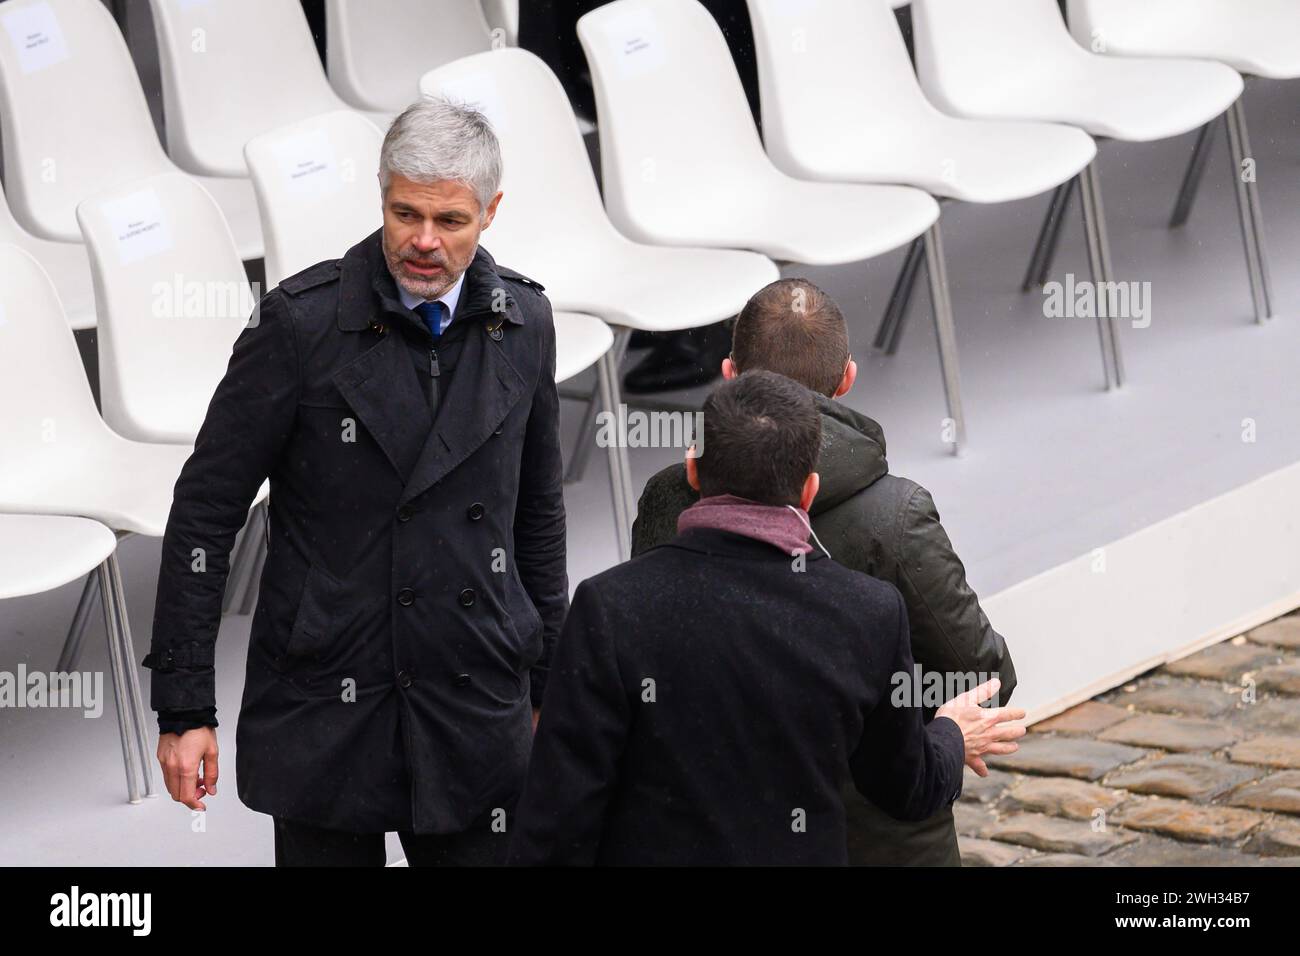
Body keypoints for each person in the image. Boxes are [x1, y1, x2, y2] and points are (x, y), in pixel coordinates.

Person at [143, 98, 568, 866]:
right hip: (326, 693)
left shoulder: (526, 324)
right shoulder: (300, 326)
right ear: (381, 196)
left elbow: (536, 515)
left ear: (492, 212)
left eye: (451, 221)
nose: (425, 242)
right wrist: (184, 705)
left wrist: (550, 684)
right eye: (406, 214)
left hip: (472, 691)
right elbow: (206, 512)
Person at [508, 371, 1026, 865]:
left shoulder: (608, 607)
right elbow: (903, 788)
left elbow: (557, 819)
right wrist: (951, 734)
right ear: (809, 490)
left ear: (693, 471)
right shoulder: (866, 613)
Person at [631, 278, 1017, 866]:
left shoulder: (668, 496)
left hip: (718, 831)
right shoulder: (895, 516)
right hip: (877, 836)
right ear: (846, 381)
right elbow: (981, 677)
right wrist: (943, 733)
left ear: (730, 373)